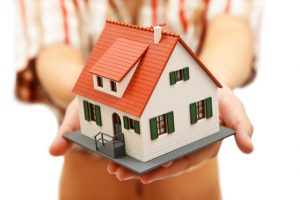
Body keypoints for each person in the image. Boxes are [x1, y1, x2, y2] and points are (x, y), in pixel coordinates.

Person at [16, 0, 261, 199]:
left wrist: (209, 87)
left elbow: (231, 28)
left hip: (194, 188)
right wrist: (97, 93)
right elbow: (55, 54)